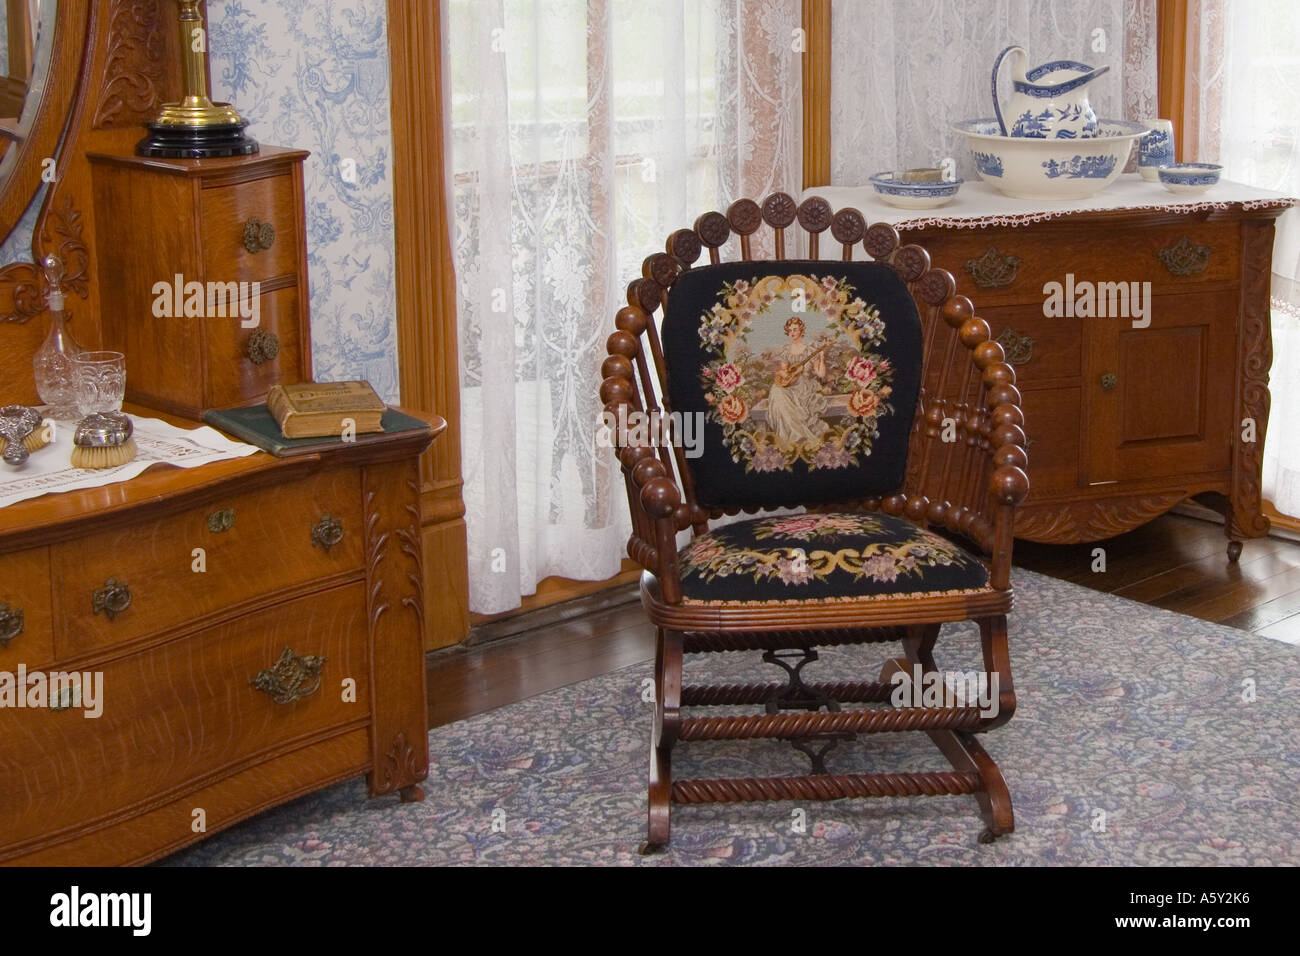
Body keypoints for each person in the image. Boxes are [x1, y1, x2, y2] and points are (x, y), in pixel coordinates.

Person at [766, 316, 828, 450]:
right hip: (790, 386)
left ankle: (798, 437)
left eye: (795, 329)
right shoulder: (785, 351)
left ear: (801, 331)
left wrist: (822, 357)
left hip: (805, 388)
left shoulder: (810, 350)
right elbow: (784, 373)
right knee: (776, 391)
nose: (792, 333)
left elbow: (821, 374)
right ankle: (792, 436)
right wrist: (783, 375)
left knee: (783, 396)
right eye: (790, 330)